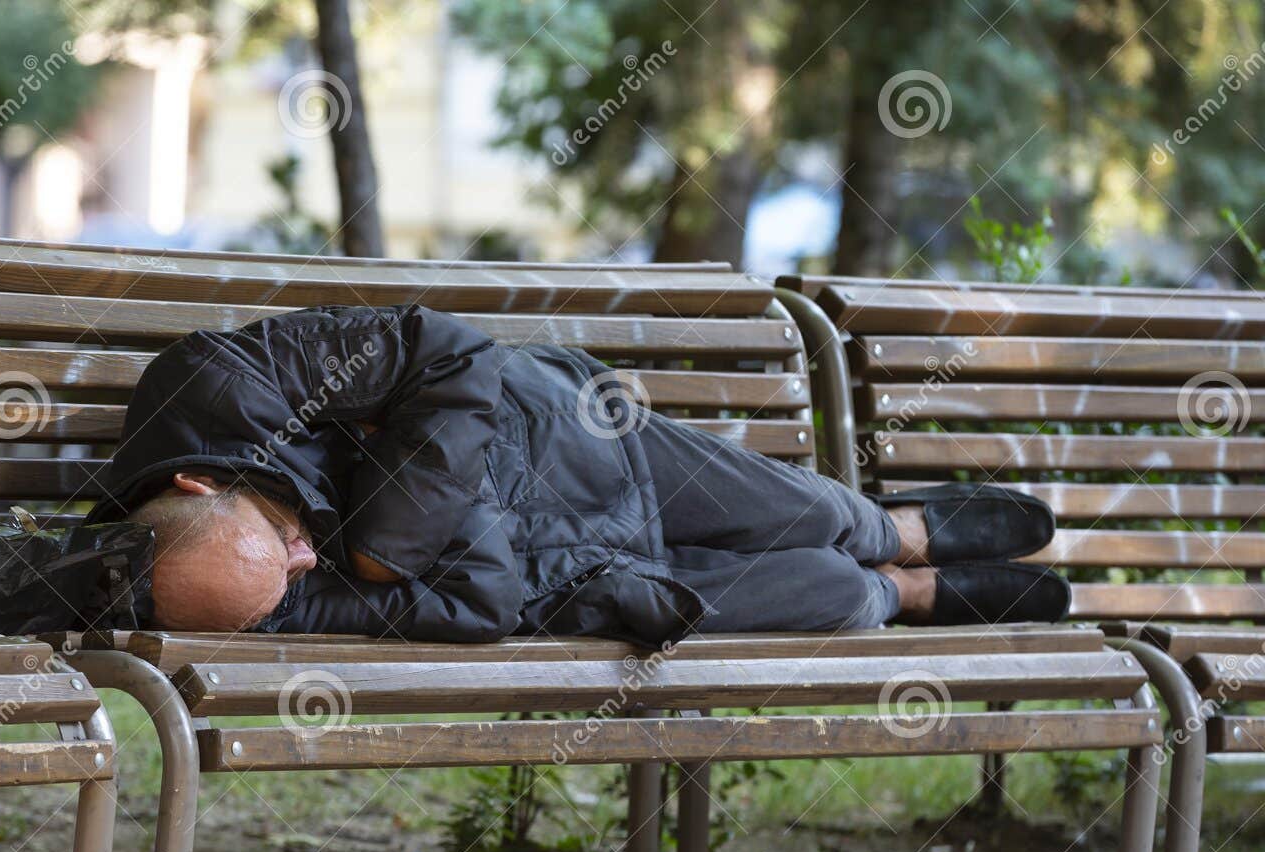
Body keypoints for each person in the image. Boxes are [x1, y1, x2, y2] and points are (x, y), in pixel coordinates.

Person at [89, 305, 1066, 644]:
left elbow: (451, 354)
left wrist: (388, 546)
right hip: (565, 585)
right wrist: (410, 472)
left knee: (814, 511)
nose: (308, 563)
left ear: (193, 487)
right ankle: (909, 590)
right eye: (287, 585)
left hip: (563, 435)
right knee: (828, 597)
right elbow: (477, 605)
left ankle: (904, 530)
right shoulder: (244, 588)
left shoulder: (220, 383)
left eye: (286, 540)